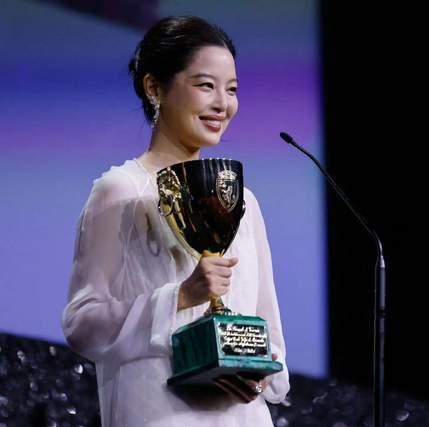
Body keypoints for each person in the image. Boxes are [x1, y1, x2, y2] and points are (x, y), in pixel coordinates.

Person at [62, 16, 289, 427]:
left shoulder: (243, 201)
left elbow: (267, 326)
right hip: (160, 414)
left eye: (232, 89)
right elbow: (82, 324)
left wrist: (256, 371)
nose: (223, 104)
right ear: (154, 88)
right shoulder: (121, 190)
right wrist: (181, 296)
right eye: (206, 85)